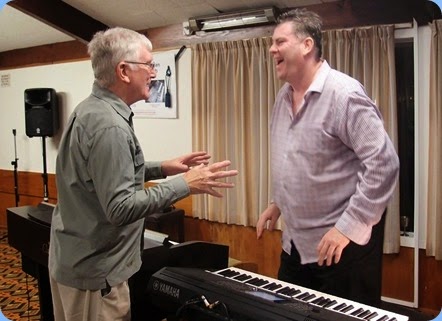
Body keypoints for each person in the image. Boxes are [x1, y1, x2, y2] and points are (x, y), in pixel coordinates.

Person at [48, 27, 238, 321]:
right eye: (148, 64)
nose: (153, 71)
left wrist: (162, 168)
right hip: (96, 276)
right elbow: (120, 208)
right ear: (123, 71)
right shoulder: (109, 125)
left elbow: (102, 173)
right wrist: (184, 184)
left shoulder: (92, 110)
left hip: (77, 263)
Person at [256, 8, 399, 308]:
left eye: (279, 41)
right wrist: (277, 203)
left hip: (341, 250)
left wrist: (347, 226)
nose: (272, 49)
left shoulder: (344, 95)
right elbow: (293, 159)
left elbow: (383, 164)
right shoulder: (282, 98)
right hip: (295, 246)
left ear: (307, 45)